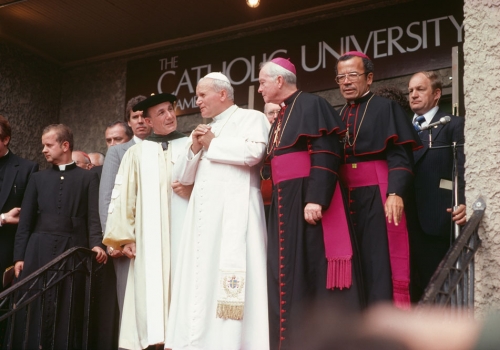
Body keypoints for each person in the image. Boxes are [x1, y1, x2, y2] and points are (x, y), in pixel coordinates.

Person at [258, 58, 363, 350]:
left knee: (309, 268)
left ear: (279, 80)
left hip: (306, 198)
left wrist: (316, 198)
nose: (259, 88)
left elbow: (326, 153)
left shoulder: (312, 105)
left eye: (262, 81)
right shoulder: (281, 114)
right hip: (284, 200)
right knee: (285, 268)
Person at [165, 72, 270, 350]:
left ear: (222, 94)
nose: (197, 101)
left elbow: (254, 154)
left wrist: (213, 144)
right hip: (202, 223)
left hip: (236, 217)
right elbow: (181, 178)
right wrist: (195, 147)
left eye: (201, 95)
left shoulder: (252, 118)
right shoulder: (202, 130)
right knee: (201, 282)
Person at [103, 92, 190, 350]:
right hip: (149, 241)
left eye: (170, 109)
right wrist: (123, 237)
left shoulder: (190, 145)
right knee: (148, 306)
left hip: (184, 237)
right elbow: (123, 197)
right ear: (148, 122)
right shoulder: (137, 154)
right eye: (161, 112)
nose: (170, 116)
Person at [335, 51, 421, 308]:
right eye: (341, 77)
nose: (346, 82)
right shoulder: (338, 115)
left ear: (369, 78)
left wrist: (395, 193)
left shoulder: (386, 108)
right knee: (351, 259)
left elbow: (401, 157)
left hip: (377, 191)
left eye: (353, 75)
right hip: (346, 195)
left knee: (379, 259)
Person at [12, 124, 107, 349]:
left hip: (72, 247)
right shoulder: (37, 178)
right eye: (43, 145)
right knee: (35, 303)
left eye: (48, 145)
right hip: (38, 249)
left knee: (68, 304)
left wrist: (96, 244)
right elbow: (25, 222)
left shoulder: (88, 178)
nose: (44, 150)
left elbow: (93, 216)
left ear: (65, 146)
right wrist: (19, 257)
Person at [407, 71, 466, 301]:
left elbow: (463, 169)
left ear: (437, 94)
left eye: (420, 89)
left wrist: (463, 202)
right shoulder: (401, 127)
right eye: (410, 90)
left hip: (438, 221)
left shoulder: (453, 125)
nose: (413, 95)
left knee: (439, 293)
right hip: (405, 223)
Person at [99, 95, 151, 327]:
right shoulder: (118, 152)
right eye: (134, 117)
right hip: (124, 240)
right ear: (129, 122)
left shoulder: (166, 146)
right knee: (129, 308)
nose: (140, 120)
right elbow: (107, 197)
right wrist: (112, 241)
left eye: (144, 115)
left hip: (158, 238)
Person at [0, 115, 38, 292]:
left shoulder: (27, 168)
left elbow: (31, 212)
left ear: (6, 139)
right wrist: (3, 218)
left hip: (6, 252)